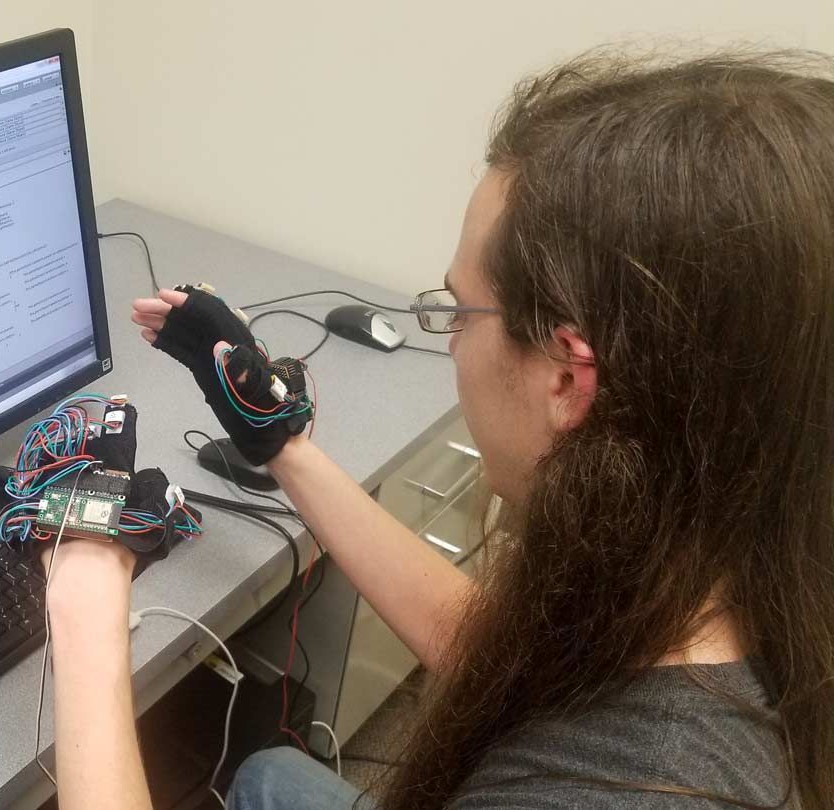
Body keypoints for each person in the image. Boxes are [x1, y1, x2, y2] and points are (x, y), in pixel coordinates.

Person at [42, 49, 834, 810]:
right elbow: (507, 665)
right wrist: (276, 439)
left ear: (567, 377)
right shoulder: (738, 570)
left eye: (458, 310)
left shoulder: (622, 788)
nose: (448, 337)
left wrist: (82, 604)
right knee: (271, 776)